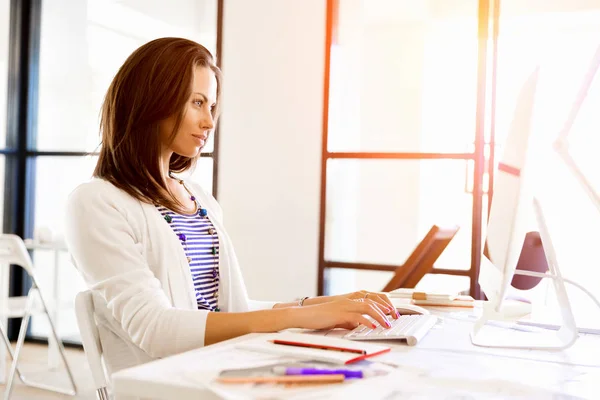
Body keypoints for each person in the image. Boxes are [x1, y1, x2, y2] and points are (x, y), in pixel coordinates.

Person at [65, 37, 398, 374]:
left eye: (211, 107)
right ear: (152, 99)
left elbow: (227, 313)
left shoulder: (198, 199)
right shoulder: (96, 202)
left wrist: (322, 305)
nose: (209, 122)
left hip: (223, 370)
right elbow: (156, 329)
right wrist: (302, 316)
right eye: (197, 102)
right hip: (172, 386)